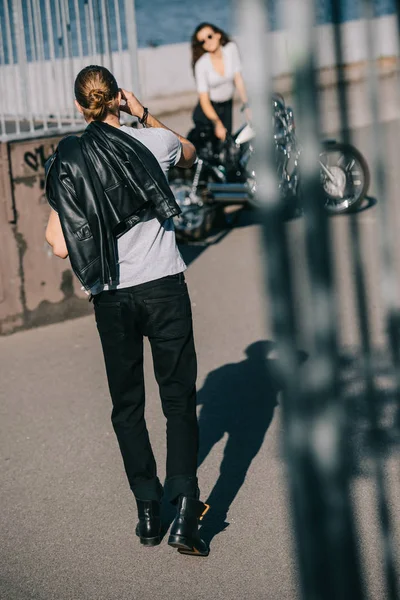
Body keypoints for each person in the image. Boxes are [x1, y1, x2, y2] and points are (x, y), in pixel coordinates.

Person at [44, 65, 209, 557]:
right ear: (117, 96)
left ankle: (147, 511)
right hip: (163, 287)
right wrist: (144, 114)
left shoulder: (70, 159)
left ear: (79, 107)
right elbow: (191, 152)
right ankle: (185, 511)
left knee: (127, 405)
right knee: (178, 399)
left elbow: (57, 244)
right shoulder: (151, 143)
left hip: (112, 296)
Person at [191, 22, 251, 142]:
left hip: (227, 105)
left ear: (218, 35)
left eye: (209, 36)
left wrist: (247, 106)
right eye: (202, 41)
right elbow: (204, 100)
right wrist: (216, 123)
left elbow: (238, 79)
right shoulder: (201, 65)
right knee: (209, 151)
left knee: (227, 144)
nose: (207, 42)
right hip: (208, 111)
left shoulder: (231, 49)